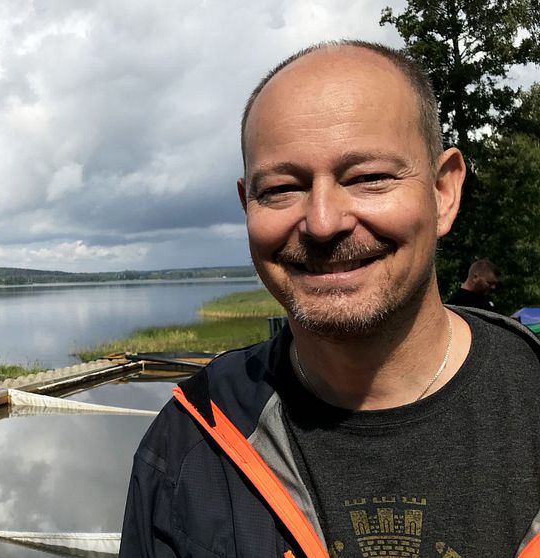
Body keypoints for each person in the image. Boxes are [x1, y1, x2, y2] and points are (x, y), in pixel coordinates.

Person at [119, 40, 540, 558]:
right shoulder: (191, 446)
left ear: (443, 192)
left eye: (368, 178)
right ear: (246, 204)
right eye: (280, 188)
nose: (322, 222)